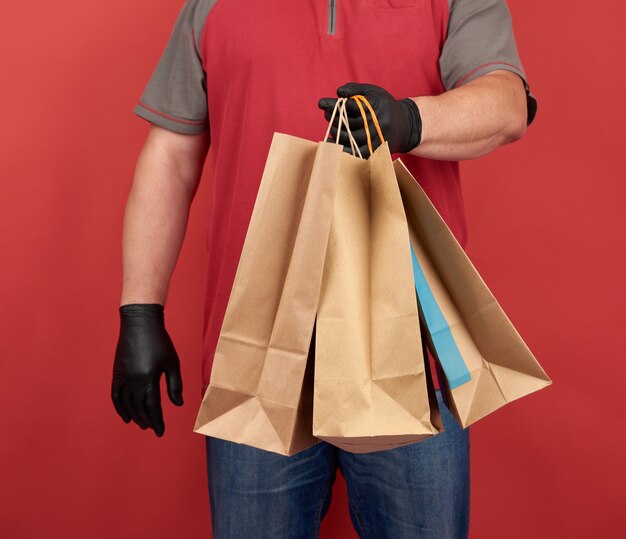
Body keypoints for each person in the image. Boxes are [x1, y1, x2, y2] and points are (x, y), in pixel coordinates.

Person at [111, 1, 537, 537]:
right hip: (255, 355)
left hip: (412, 354)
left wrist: (408, 120)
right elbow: (171, 156)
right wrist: (140, 309)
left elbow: (506, 105)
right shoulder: (212, 6)